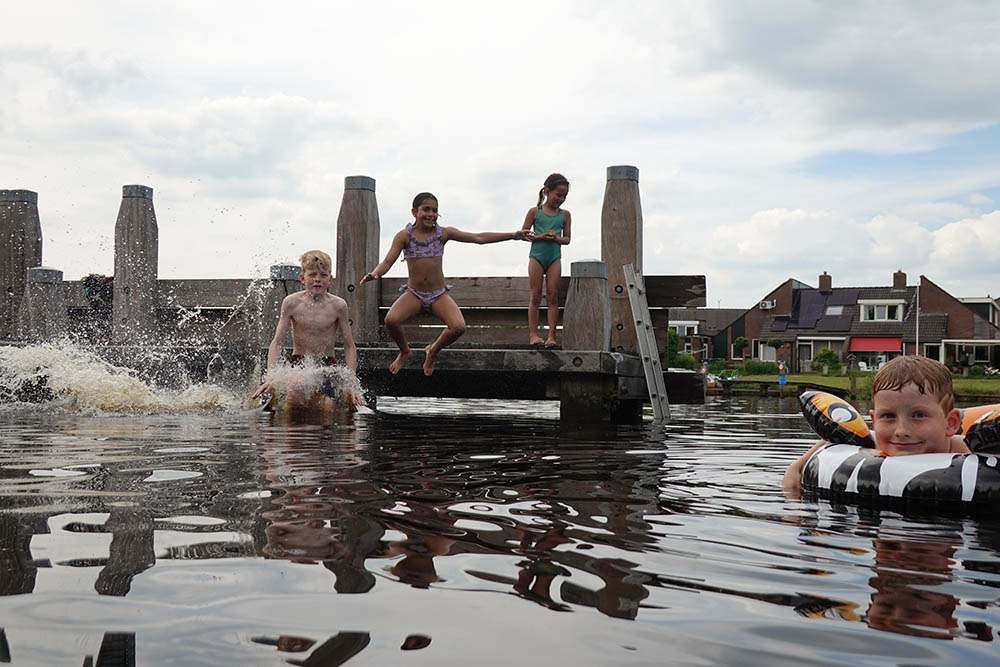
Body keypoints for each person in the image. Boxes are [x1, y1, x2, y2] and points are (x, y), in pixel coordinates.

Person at [359, 192, 528, 376]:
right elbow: (387, 262)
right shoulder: (404, 236)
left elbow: (478, 238)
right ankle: (404, 351)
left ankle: (432, 350)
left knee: (458, 327)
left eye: (435, 210)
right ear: (414, 211)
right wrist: (375, 273)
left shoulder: (443, 234)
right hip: (414, 294)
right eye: (426, 209)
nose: (431, 214)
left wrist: (513, 235)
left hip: (438, 294)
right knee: (391, 320)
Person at [782, 356, 971, 493]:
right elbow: (829, 444)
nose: (901, 431)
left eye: (919, 415)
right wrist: (796, 468)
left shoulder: (965, 449)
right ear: (873, 420)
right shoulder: (875, 442)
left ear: (950, 423)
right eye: (888, 416)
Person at [252, 250, 363, 412]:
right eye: (312, 274)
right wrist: (271, 378)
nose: (317, 279)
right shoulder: (291, 303)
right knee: (296, 393)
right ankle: (293, 434)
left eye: (323, 275)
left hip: (326, 364)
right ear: (302, 278)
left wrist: (352, 383)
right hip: (300, 362)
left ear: (330, 279)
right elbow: (277, 342)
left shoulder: (338, 306)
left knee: (327, 407)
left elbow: (349, 346)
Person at [520, 173, 572, 347]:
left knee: (552, 296)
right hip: (536, 257)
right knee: (535, 295)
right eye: (558, 195)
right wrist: (541, 236)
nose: (561, 199)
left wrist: (556, 238)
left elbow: (567, 239)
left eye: (564, 196)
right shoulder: (535, 212)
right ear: (547, 192)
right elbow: (524, 234)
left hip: (554, 258)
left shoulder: (565, 215)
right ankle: (533, 335)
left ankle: (552, 336)